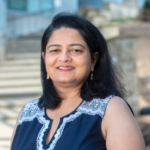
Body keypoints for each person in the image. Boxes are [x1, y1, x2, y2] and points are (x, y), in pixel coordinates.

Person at [11, 12, 145, 150]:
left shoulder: (111, 110)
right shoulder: (26, 114)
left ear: (93, 60)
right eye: (55, 50)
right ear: (44, 58)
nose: (64, 58)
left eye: (75, 50)